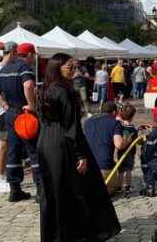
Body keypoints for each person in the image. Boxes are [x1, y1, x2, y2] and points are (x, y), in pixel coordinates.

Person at [36, 53, 121, 241]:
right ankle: (77, 234)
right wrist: (80, 154)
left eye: (75, 67)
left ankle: (56, 235)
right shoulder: (63, 91)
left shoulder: (43, 89)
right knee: (78, 189)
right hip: (63, 143)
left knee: (53, 191)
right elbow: (71, 126)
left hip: (45, 143)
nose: (74, 71)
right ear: (57, 67)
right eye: (70, 67)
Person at [0, 41, 41, 202]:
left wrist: (5, 105)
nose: (34, 59)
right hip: (24, 112)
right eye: (33, 55)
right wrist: (32, 105)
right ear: (29, 55)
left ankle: (15, 189)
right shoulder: (24, 67)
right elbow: (28, 85)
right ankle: (41, 190)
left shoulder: (5, 69)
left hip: (10, 113)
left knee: (13, 150)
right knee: (33, 150)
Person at [83, 101, 122, 196]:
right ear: (113, 112)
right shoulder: (115, 123)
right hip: (103, 167)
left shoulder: (87, 122)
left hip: (87, 168)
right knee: (115, 186)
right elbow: (119, 145)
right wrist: (128, 138)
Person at [114, 104, 138, 195]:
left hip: (121, 152)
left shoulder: (119, 126)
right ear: (132, 117)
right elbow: (135, 140)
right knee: (128, 170)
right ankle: (128, 187)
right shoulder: (133, 129)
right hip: (130, 153)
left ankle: (119, 187)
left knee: (120, 170)